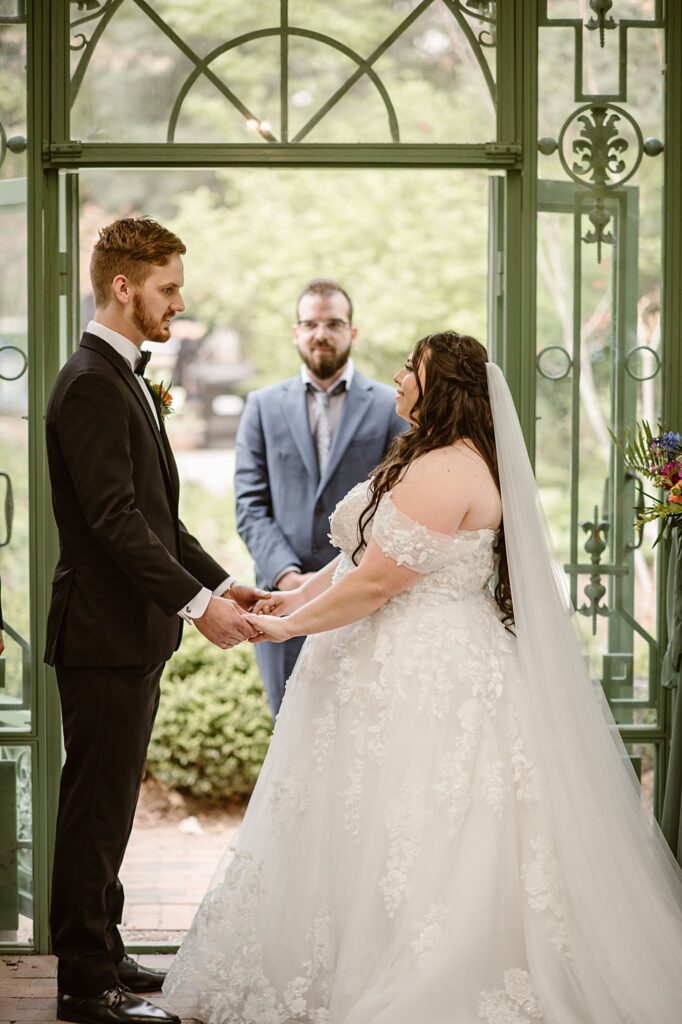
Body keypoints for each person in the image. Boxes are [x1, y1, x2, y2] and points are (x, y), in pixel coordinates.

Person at [164, 331, 682, 1023]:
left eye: (413, 368)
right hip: (390, 666)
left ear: (443, 387)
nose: (400, 377)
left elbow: (378, 583)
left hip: (425, 676)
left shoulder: (448, 469)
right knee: (363, 821)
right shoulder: (426, 455)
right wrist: (290, 598)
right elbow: (361, 554)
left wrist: (289, 629)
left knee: (418, 822)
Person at [45, 217, 265, 1024]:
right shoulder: (90, 382)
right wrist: (198, 607)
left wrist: (225, 584)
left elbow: (158, 520)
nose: (179, 303)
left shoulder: (124, 376)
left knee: (110, 806)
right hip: (101, 634)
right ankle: (84, 983)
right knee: (94, 810)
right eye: (168, 289)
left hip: (129, 634)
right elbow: (114, 521)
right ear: (123, 286)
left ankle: (105, 950)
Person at [235, 278, 405, 715]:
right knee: (288, 730)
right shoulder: (262, 406)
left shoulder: (391, 406)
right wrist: (289, 579)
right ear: (296, 333)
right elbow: (250, 506)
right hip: (279, 602)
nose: (321, 334)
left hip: (360, 602)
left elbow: (396, 506)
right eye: (310, 324)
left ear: (352, 332)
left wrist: (337, 580)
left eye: (334, 323)